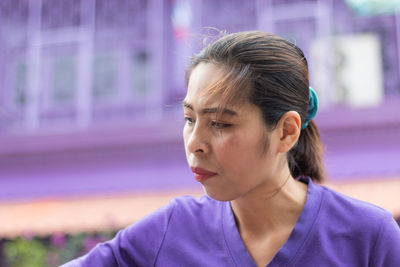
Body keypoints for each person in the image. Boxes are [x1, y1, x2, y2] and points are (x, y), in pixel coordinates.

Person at [62, 31, 400, 267]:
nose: (195, 143)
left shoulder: (368, 237)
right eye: (189, 118)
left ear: (286, 131)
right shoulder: (170, 230)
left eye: (221, 124)